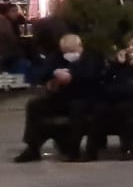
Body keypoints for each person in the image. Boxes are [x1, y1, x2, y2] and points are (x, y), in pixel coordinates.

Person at [15, 34, 103, 163]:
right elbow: (41, 73)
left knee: (77, 108)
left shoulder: (91, 57)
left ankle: (73, 149)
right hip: (60, 97)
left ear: (80, 47)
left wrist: (72, 76)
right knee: (34, 105)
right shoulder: (56, 57)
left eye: (72, 51)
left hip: (84, 97)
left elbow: (92, 75)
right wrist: (53, 74)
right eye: (65, 52)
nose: (69, 55)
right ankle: (33, 147)